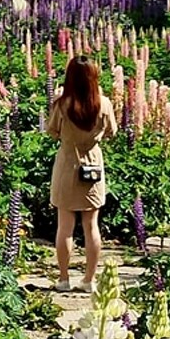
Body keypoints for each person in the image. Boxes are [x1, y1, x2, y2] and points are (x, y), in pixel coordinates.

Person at [45, 55, 117, 293]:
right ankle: (89, 280)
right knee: (91, 225)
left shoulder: (62, 104)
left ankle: (64, 279)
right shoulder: (103, 104)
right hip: (93, 167)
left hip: (67, 164)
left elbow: (52, 131)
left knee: (65, 226)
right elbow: (112, 131)